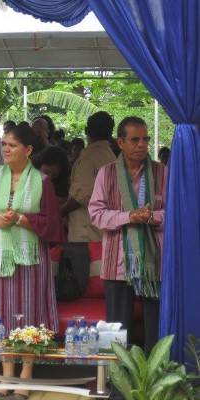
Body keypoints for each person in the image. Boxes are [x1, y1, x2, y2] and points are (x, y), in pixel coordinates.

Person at [0, 124, 62, 399]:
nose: (6, 149)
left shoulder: (42, 181)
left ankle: (26, 375)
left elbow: (51, 224)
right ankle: (6, 372)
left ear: (28, 150)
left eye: (12, 145)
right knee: (0, 312)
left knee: (29, 312)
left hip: (30, 256)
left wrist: (20, 218)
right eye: (4, 144)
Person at [89, 116, 166, 355]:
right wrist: (129, 216)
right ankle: (114, 376)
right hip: (117, 261)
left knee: (156, 328)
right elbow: (96, 214)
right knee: (115, 328)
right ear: (120, 142)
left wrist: (151, 216)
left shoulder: (161, 172)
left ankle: (153, 375)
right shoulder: (107, 173)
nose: (142, 144)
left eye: (145, 139)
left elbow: (175, 213)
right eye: (135, 140)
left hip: (154, 264)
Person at [61, 111, 117, 242]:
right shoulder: (111, 156)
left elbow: (80, 197)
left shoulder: (89, 158)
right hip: (102, 228)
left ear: (87, 130)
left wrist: (59, 211)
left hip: (87, 231)